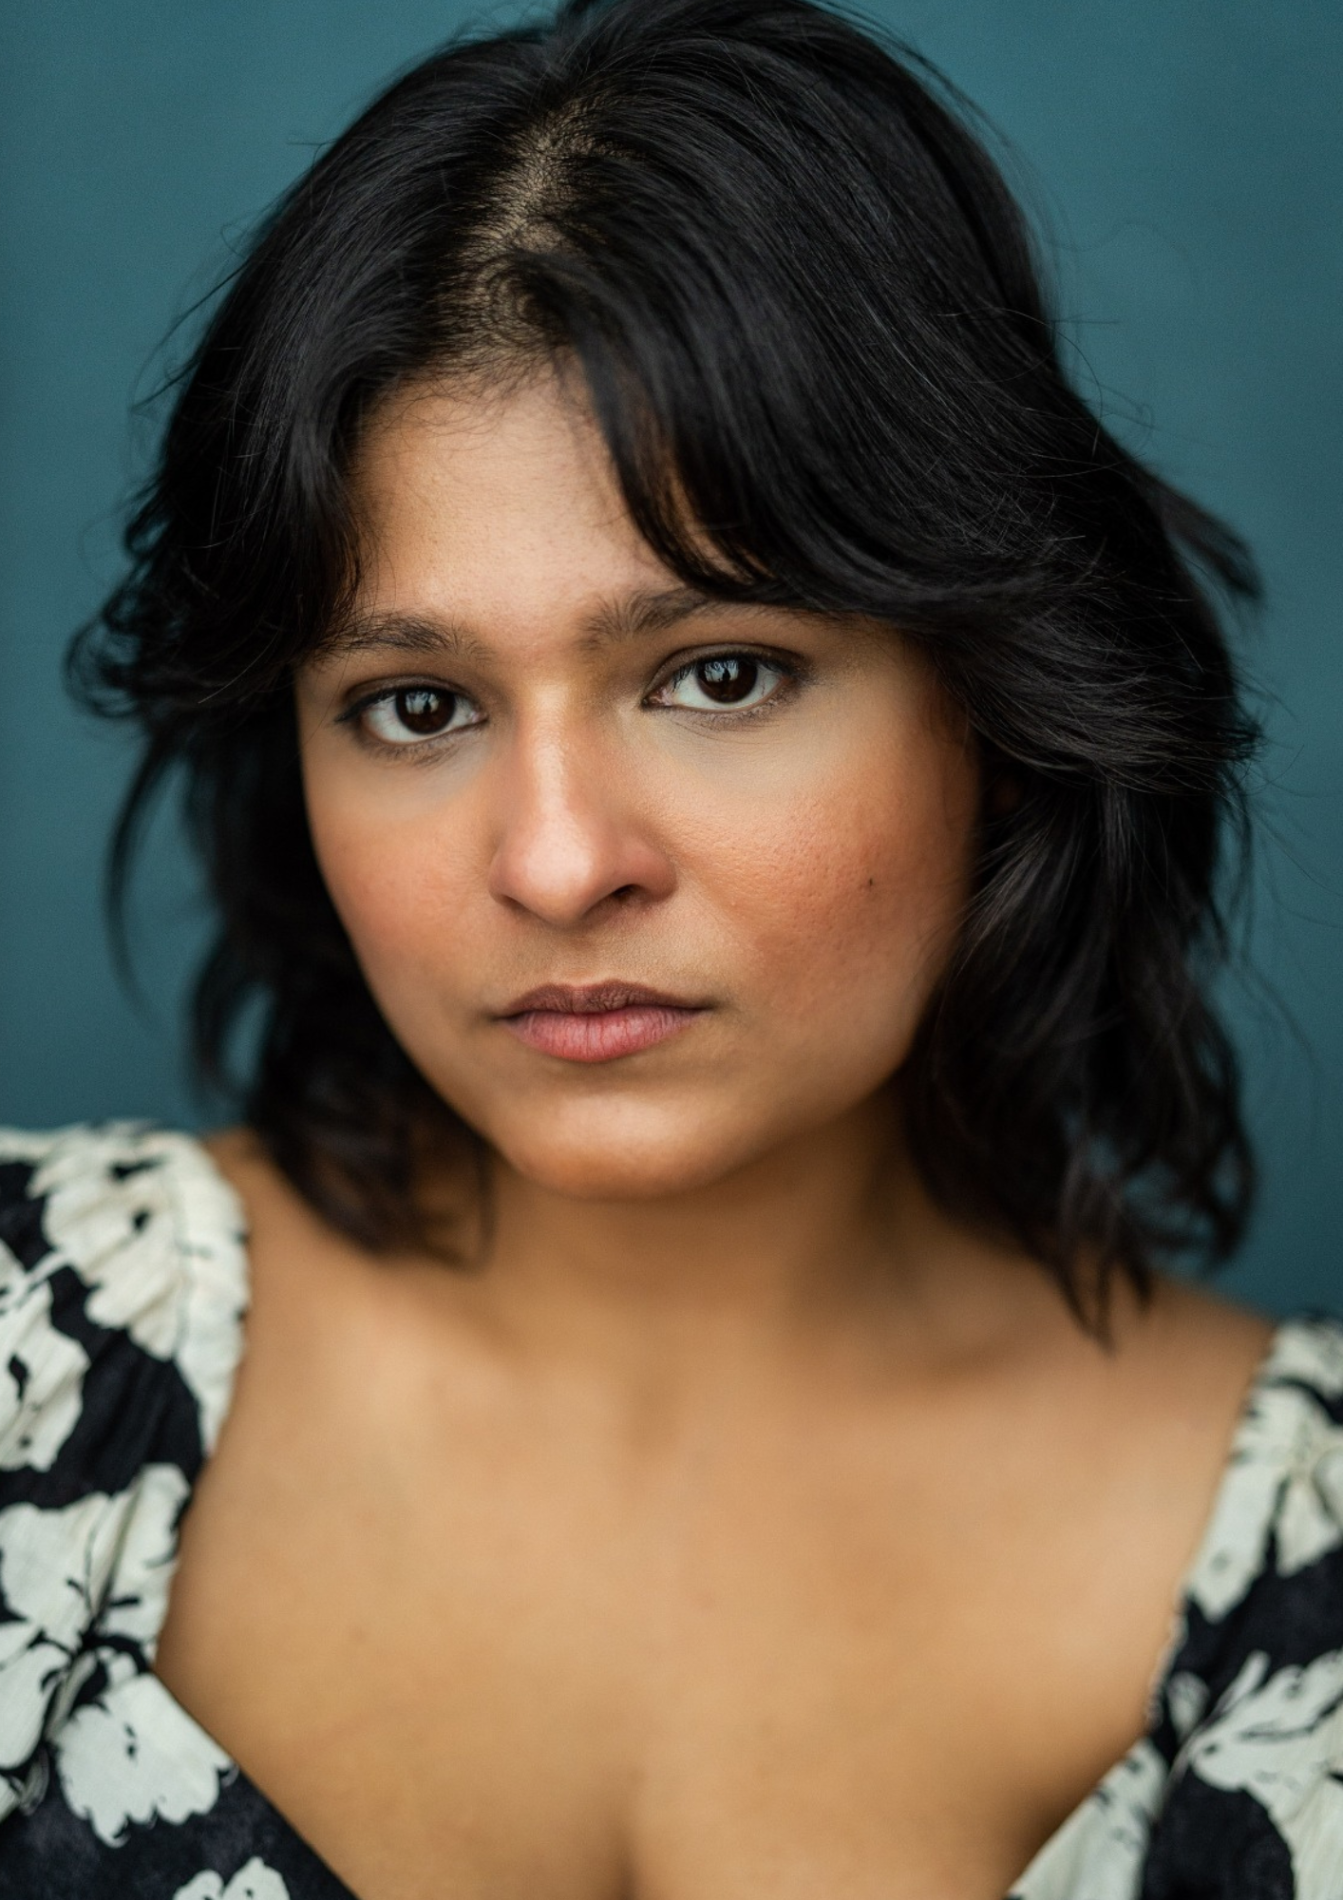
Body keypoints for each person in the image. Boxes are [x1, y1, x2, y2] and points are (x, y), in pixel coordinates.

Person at [2, 0, 1340, 1892]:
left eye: (718, 675)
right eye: (413, 707)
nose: (555, 863)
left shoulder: (1313, 1555)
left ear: (999, 706)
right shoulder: (22, 1366)